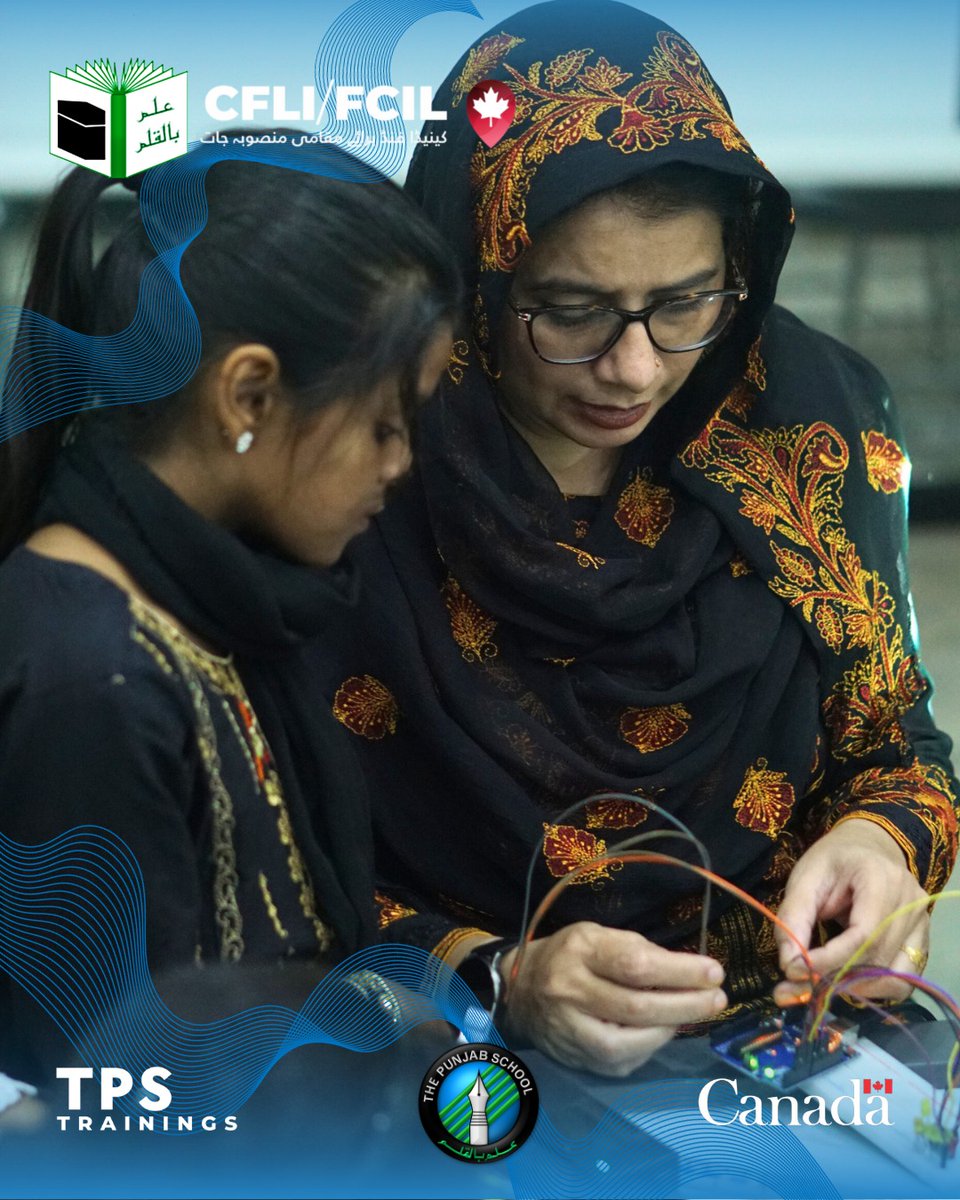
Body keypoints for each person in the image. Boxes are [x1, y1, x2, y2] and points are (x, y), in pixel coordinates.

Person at [329, 0, 960, 1075]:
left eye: (686, 302)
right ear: (475, 281)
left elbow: (897, 754)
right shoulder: (355, 467)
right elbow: (257, 882)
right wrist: (498, 974)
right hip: (444, 1062)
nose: (635, 369)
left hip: (789, 1039)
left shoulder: (809, 426)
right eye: (569, 311)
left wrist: (884, 848)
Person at [0, 138, 458, 1082]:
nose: (401, 462)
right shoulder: (93, 679)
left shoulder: (216, 590)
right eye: (384, 421)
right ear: (247, 393)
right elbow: (126, 1098)